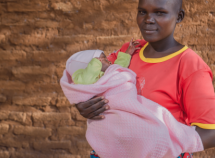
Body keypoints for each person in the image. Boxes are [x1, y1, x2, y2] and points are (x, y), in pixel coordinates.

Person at [75, 0, 215, 158]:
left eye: (160, 12)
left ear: (179, 16)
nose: (148, 20)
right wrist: (84, 105)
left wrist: (153, 144)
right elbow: (92, 83)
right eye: (142, 12)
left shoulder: (189, 65)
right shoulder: (128, 52)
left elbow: (212, 135)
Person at [60, 41, 203, 157]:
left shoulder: (110, 70)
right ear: (90, 63)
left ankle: (168, 139)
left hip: (125, 98)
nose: (107, 61)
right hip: (108, 111)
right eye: (102, 58)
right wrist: (96, 64)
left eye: (105, 58)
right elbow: (84, 83)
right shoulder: (85, 75)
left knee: (155, 117)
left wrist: (127, 53)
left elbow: (119, 67)